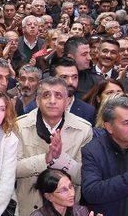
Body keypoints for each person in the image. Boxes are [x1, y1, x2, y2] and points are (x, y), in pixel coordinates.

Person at [16, 77, 93, 216]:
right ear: (37, 101)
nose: (52, 101)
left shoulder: (83, 129)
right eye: (46, 95)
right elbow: (11, 169)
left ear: (68, 101)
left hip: (67, 210)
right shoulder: (19, 126)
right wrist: (45, 159)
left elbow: (85, 177)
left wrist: (60, 159)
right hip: (28, 208)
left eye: (58, 96)